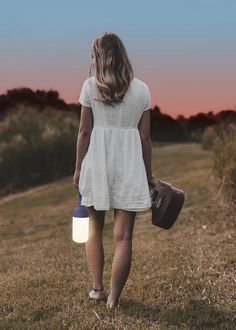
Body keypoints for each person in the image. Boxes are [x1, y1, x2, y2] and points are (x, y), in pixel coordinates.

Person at [72, 32, 155, 310]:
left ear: (99, 57)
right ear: (122, 55)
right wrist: (148, 175)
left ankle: (97, 288)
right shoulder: (142, 89)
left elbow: (84, 132)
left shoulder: (89, 86)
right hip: (129, 166)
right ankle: (113, 299)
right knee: (124, 236)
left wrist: (77, 169)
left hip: (96, 164)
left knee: (94, 230)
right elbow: (145, 139)